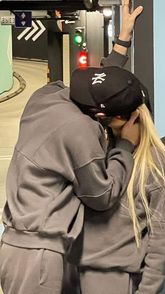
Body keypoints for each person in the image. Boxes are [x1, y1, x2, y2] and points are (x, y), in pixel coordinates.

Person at [0, 1, 144, 294]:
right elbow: (102, 194)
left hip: (21, 249)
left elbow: (98, 84)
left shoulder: (47, 96)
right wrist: (126, 145)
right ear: (103, 117)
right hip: (41, 261)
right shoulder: (81, 132)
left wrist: (122, 42)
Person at [65, 66, 165, 293]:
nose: (104, 126)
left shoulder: (157, 166)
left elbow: (160, 244)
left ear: (134, 118)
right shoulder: (106, 154)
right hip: (76, 274)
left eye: (109, 120)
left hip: (116, 280)